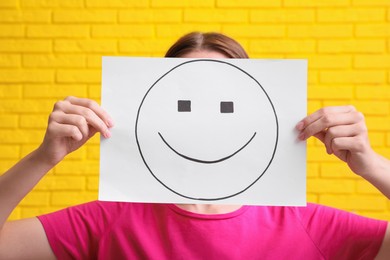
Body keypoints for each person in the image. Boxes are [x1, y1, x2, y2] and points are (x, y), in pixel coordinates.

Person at [0, 32, 390, 259]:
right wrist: (42, 158)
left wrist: (373, 166)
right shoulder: (107, 222)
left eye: (225, 103)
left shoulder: (310, 225)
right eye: (185, 103)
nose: (205, 122)